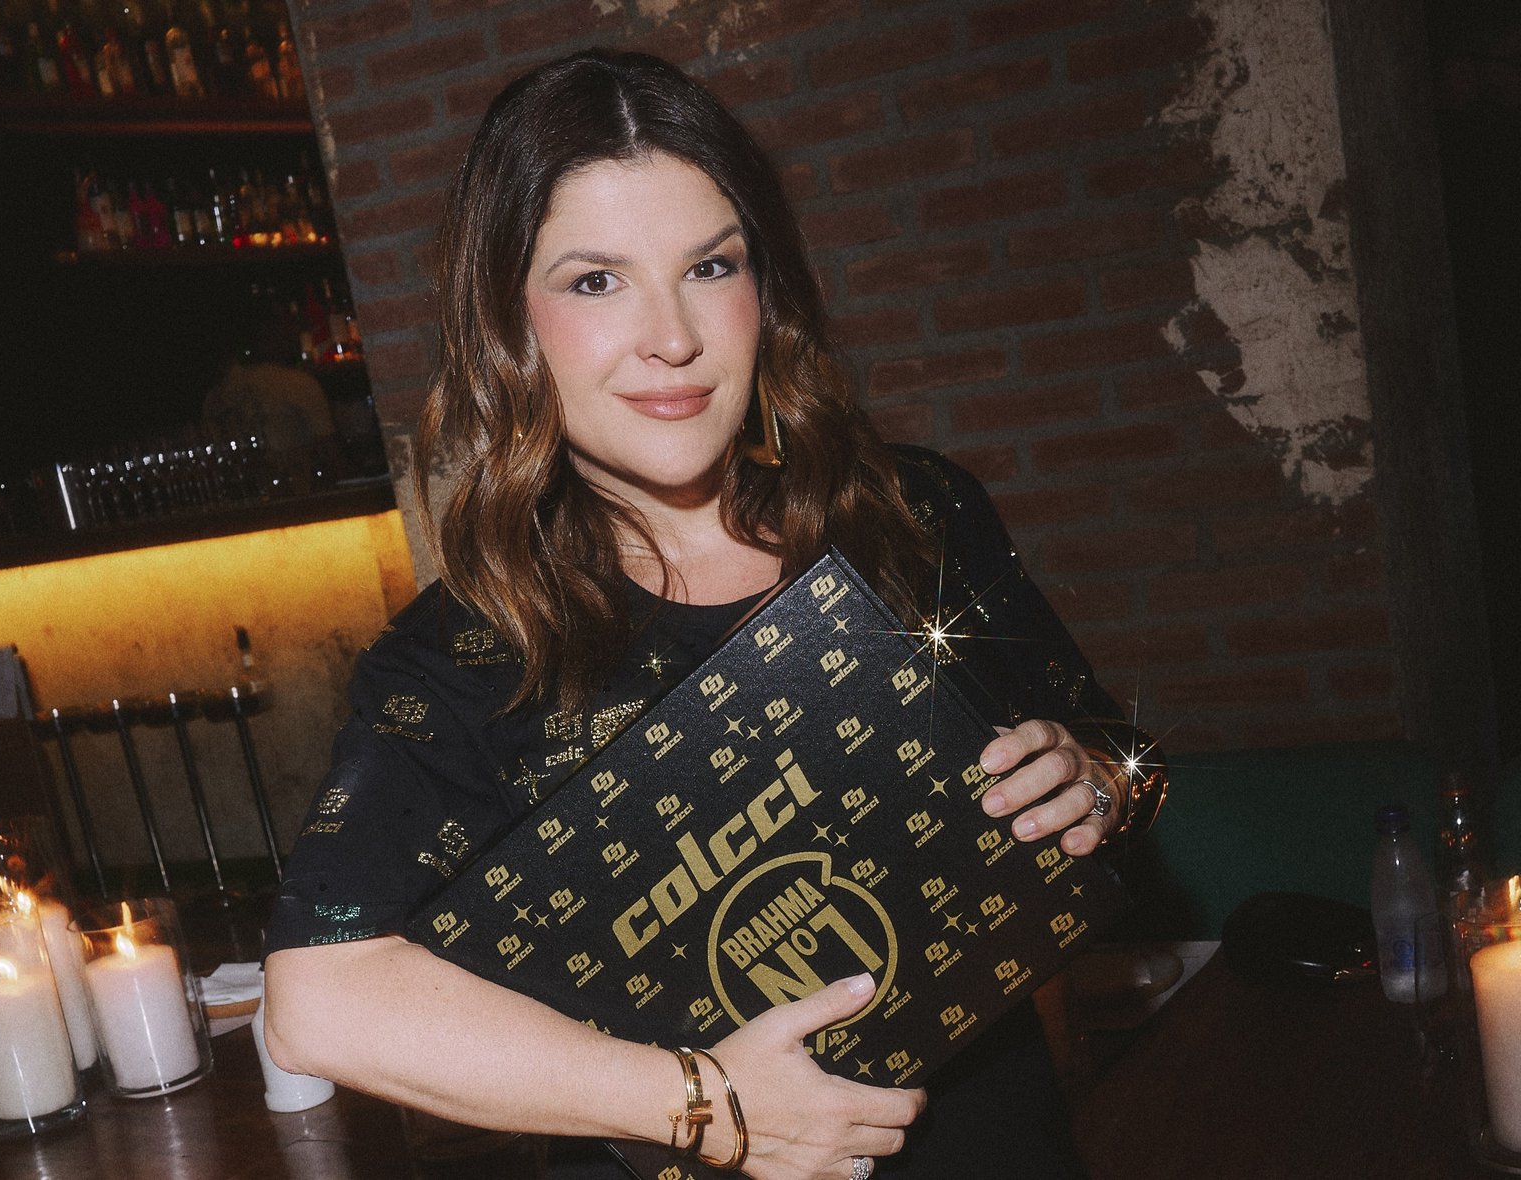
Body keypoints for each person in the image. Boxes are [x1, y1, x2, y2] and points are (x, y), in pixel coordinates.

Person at [263, 48, 1165, 1180]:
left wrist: (1093, 782)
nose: (673, 336)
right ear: (507, 325)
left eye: (709, 266)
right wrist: (706, 1102)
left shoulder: (912, 513)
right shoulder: (471, 651)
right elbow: (319, 999)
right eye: (595, 281)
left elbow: (1118, 748)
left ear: (764, 289)